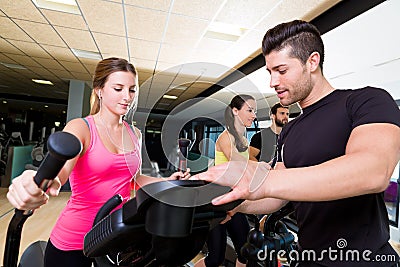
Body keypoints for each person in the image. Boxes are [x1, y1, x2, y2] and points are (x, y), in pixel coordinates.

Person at [194, 20, 400, 267]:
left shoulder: (366, 101)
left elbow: (373, 171)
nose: (272, 82)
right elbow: (277, 197)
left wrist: (264, 179)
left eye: (281, 71)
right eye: (269, 72)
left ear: (312, 62)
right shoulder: (290, 129)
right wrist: (236, 203)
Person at [6, 57, 190, 267]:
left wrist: (167, 181)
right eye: (118, 88)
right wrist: (39, 183)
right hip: (76, 237)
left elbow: (133, 178)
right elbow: (60, 174)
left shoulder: (134, 134)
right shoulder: (82, 128)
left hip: (114, 234)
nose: (126, 97)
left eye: (131, 90)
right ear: (99, 90)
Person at [195, 94, 256, 267]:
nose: (253, 115)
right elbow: (239, 165)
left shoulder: (243, 139)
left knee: (245, 252)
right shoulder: (225, 137)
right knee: (215, 258)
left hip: (233, 199)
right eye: (250, 111)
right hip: (216, 201)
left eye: (255, 111)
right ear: (235, 111)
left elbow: (251, 164)